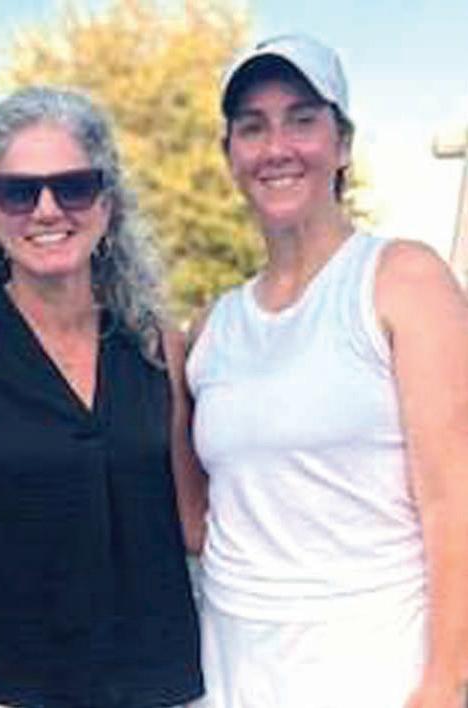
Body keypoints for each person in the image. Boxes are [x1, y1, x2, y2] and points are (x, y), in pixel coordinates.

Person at [0, 86, 206, 708]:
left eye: (73, 187)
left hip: (160, 687)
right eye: (18, 192)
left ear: (107, 204)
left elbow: (193, 522)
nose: (46, 209)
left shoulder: (157, 346)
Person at [187, 34, 468, 707]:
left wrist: (445, 681)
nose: (277, 147)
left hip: (375, 666)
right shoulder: (212, 328)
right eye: (252, 127)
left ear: (342, 144)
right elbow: (203, 518)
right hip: (233, 669)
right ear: (230, 155)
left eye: (302, 119)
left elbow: (453, 499)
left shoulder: (403, 280)